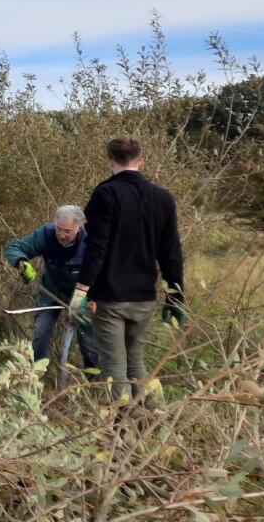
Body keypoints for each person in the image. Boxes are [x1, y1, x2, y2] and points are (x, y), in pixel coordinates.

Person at [71, 136, 185, 403]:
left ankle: (120, 429)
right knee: (137, 364)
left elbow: (96, 248)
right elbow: (171, 253)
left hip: (110, 298)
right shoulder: (163, 198)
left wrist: (81, 291)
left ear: (110, 162)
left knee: (115, 367)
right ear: (141, 161)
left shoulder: (105, 194)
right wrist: (175, 297)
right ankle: (147, 420)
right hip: (144, 296)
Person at [3, 205, 98, 370]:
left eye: (67, 231)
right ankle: (36, 376)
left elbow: (101, 274)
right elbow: (14, 248)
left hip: (81, 296)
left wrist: (90, 300)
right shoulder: (46, 234)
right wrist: (21, 262)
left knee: (88, 340)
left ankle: (93, 382)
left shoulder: (91, 243)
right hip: (51, 291)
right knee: (41, 331)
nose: (61, 235)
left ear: (79, 227)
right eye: (58, 229)